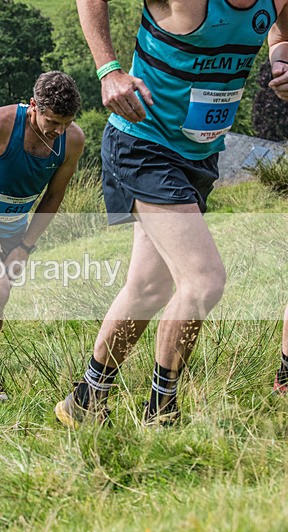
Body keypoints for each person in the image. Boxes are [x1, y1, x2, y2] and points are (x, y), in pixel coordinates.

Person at [56, 0, 288, 427]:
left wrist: (281, 58)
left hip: (200, 153)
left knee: (147, 288)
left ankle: (85, 401)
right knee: (203, 280)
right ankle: (161, 410)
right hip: (143, 146)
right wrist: (109, 70)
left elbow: (281, 30)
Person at [0, 71, 84, 410]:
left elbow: (54, 196)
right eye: (52, 121)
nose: (58, 131)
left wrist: (26, 246)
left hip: (14, 226)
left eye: (66, 123)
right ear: (34, 106)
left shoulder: (73, 140)